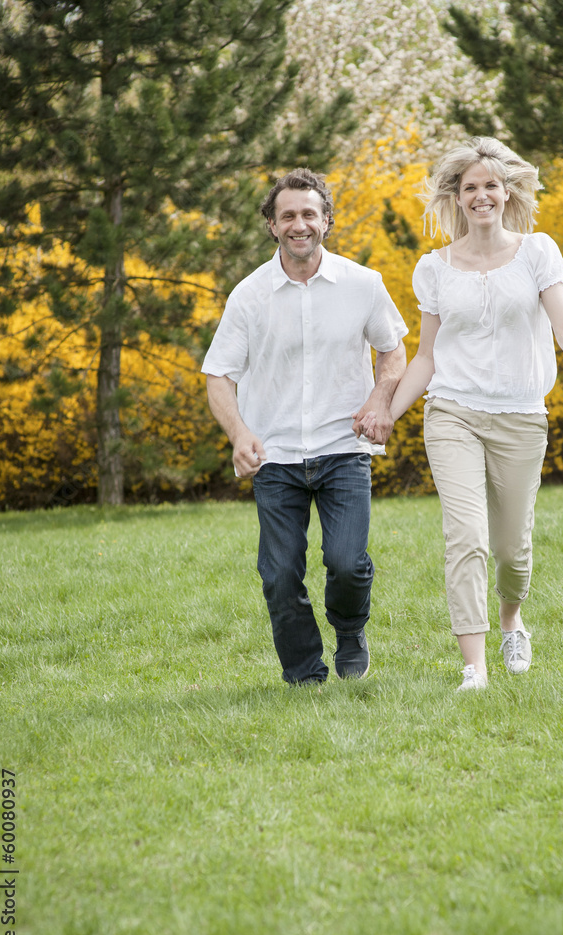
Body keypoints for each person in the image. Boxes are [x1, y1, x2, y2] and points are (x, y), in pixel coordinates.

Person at [359, 137, 563, 692]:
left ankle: (512, 622)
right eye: (469, 188)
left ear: (507, 193)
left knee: (512, 547)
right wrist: (386, 409)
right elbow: (428, 357)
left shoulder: (537, 252)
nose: (480, 196)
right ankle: (474, 668)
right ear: (455, 198)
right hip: (452, 412)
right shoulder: (433, 268)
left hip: (520, 414)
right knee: (466, 537)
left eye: (490, 186)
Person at [202, 168, 407, 686]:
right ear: (272, 225)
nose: (299, 224)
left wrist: (381, 399)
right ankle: (305, 674)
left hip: (344, 448)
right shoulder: (249, 295)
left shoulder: (364, 284)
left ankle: (350, 629)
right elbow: (218, 376)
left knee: (346, 563)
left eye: (309, 214)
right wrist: (239, 434)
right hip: (277, 457)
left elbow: (393, 349)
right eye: (288, 215)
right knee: (279, 574)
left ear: (326, 221)